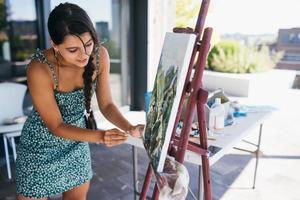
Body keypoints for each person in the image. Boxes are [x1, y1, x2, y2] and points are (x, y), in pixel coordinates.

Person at [16, 3, 143, 200]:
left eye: (89, 44)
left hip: (77, 140)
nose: (84, 55)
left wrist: (129, 127)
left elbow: (107, 104)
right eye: (73, 49)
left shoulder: (100, 56)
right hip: (40, 147)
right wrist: (101, 137)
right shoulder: (39, 68)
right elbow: (56, 125)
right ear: (54, 45)